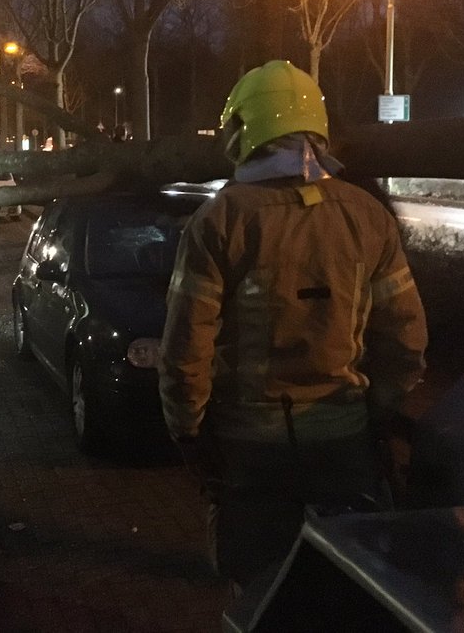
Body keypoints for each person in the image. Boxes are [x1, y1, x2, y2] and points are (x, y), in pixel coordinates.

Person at [158, 60, 428, 591]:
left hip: (249, 449)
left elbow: (187, 346)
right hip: (344, 441)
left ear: (243, 129)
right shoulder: (366, 215)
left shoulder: (219, 221)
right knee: (345, 589)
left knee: (259, 588)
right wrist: (383, 408)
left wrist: (187, 428)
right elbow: (406, 336)